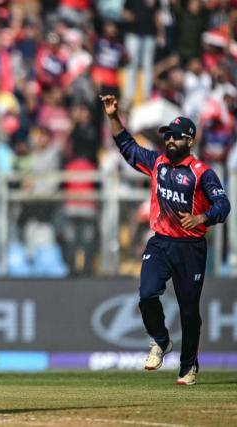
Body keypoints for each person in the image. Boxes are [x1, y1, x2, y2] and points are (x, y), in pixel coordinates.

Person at [101, 94, 230, 385]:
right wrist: (113, 117)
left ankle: (188, 366)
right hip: (160, 242)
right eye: (168, 136)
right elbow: (128, 148)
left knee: (188, 310)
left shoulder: (202, 173)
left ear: (190, 141)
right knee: (147, 294)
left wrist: (202, 218)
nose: (170, 141)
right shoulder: (158, 163)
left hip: (191, 247)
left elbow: (223, 205)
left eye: (176, 137)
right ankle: (160, 340)